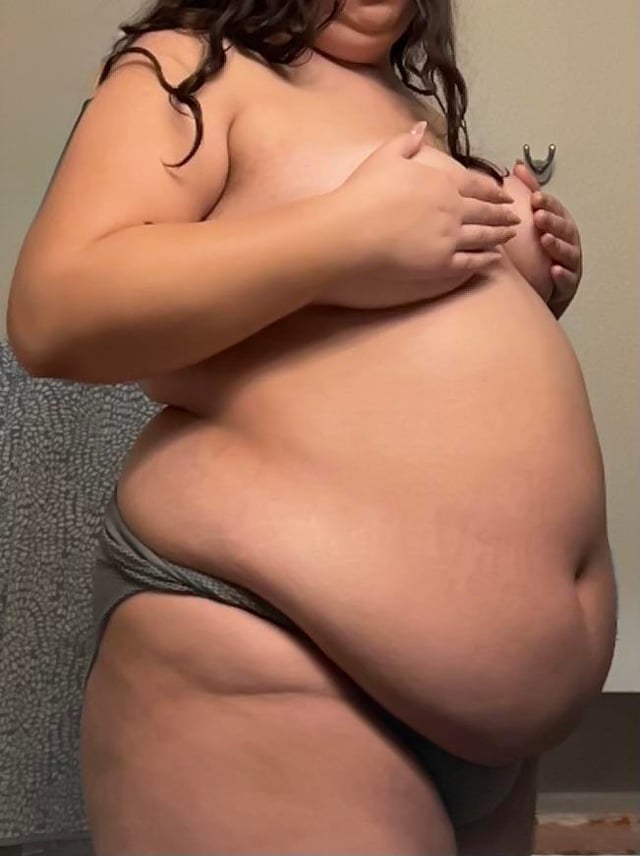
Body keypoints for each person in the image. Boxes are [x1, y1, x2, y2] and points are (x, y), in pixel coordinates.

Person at [8, 1, 617, 853]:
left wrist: (525, 286)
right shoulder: (191, 67)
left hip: (488, 726)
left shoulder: (406, 106)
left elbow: (383, 364)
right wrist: (342, 236)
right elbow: (54, 312)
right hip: (266, 658)